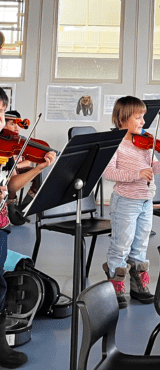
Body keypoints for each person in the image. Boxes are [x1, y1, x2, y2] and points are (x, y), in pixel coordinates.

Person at [103, 96, 160, 309]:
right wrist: (137, 173)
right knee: (121, 243)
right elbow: (109, 173)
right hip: (126, 201)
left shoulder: (145, 142)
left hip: (146, 200)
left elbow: (153, 169)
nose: (143, 122)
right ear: (123, 119)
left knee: (141, 243)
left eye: (143, 117)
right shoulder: (116, 144)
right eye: (138, 118)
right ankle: (116, 283)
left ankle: (138, 285)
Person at [0, 87, 56, 369]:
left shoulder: (3, 149)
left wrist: (36, 168)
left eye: (1, 112)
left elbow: (9, 187)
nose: (0, 119)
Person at [3, 111, 37, 225]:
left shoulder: (21, 139)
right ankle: (11, 210)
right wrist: (12, 166)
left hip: (18, 167)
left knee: (40, 174)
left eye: (20, 124)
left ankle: (23, 208)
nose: (17, 127)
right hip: (7, 170)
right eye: (13, 124)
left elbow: (27, 161)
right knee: (10, 176)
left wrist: (16, 165)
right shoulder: (3, 140)